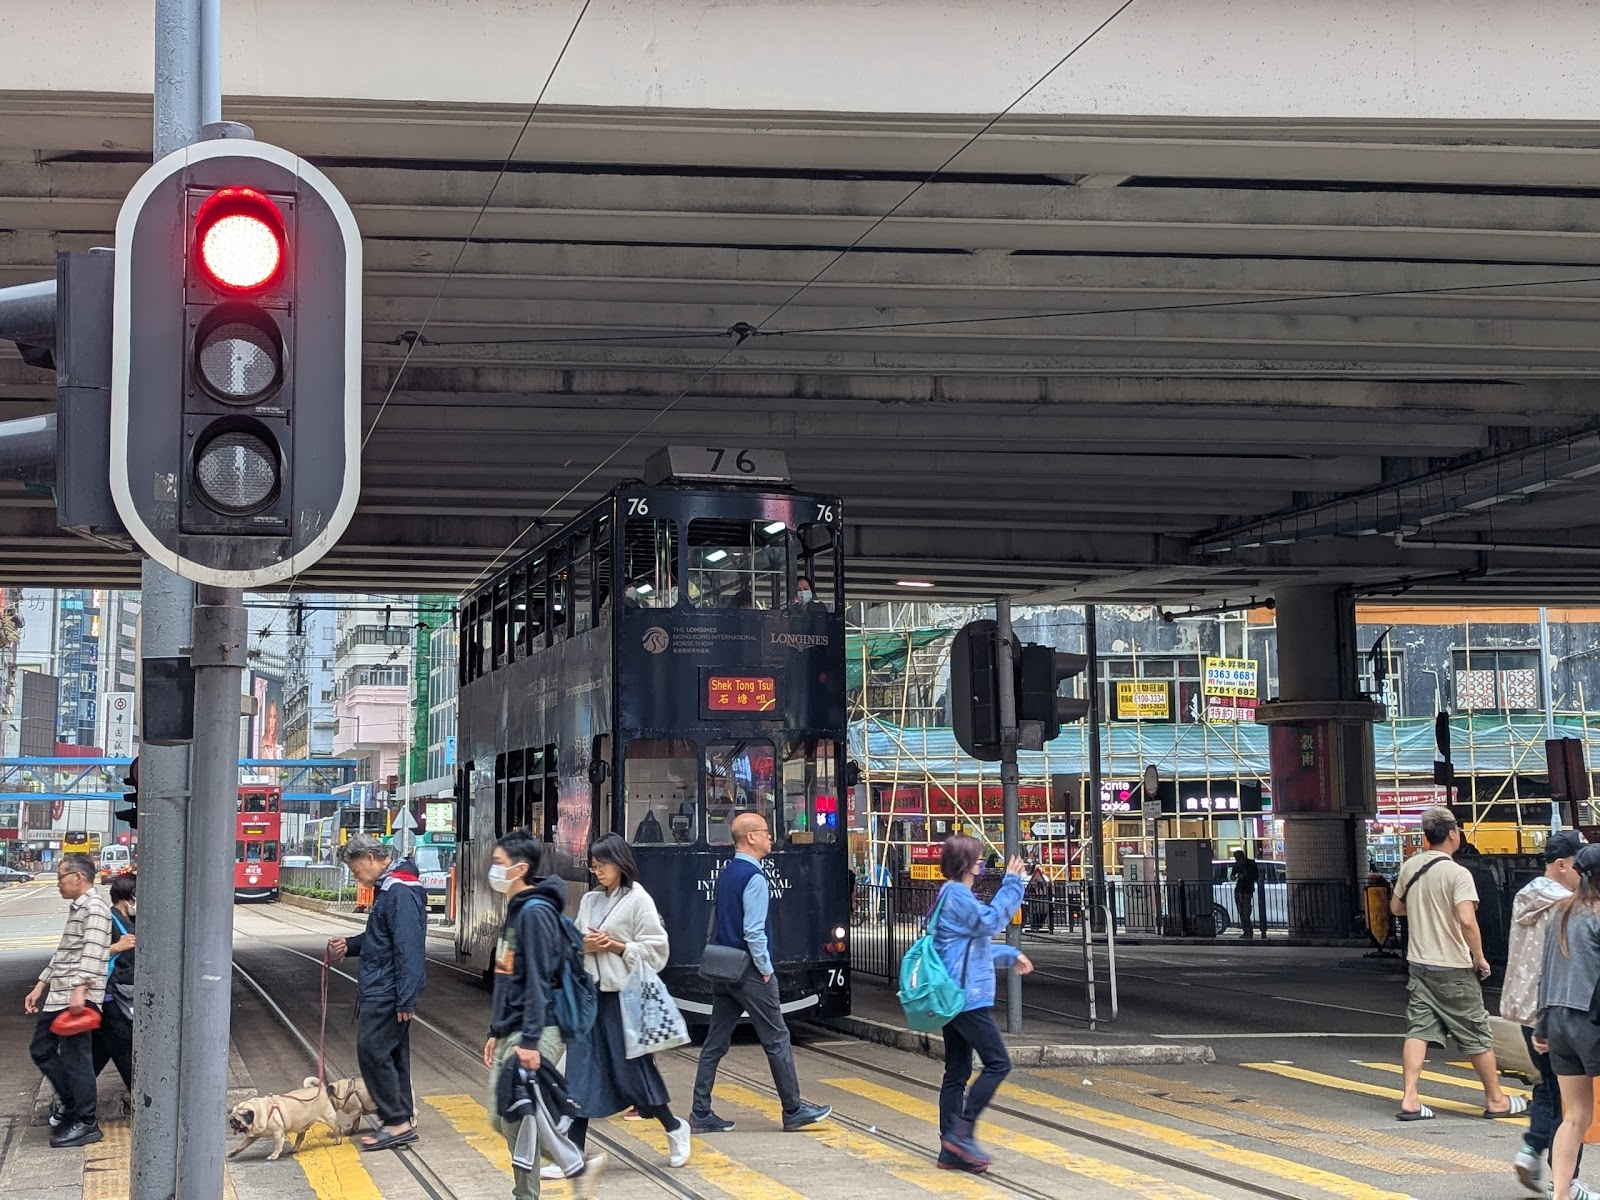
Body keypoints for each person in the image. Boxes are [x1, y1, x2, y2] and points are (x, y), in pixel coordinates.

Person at [546, 834, 689, 1180]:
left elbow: (657, 952)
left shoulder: (639, 900)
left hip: (623, 1001)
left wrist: (617, 947)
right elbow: (573, 944)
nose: (597, 872)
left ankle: (673, 1127)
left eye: (602, 866)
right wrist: (585, 946)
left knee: (632, 1074)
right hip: (590, 998)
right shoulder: (590, 900)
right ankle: (573, 1157)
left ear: (620, 864)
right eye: (593, 866)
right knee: (578, 1074)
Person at [689, 811, 831, 1134]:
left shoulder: (727, 873)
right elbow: (754, 932)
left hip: (724, 968)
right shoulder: (754, 877)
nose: (771, 836)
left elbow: (716, 921)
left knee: (715, 1042)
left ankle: (700, 1111)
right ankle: (793, 1109)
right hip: (750, 971)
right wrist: (766, 969)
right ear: (750, 837)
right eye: (766, 831)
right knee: (777, 1037)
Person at [484, 829, 603, 1199]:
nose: (493, 869)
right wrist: (496, 1029)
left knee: (515, 1117)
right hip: (514, 1027)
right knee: (502, 1117)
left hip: (538, 1027)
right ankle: (575, 1165)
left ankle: (529, 1192)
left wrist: (532, 1041)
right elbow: (508, 977)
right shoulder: (516, 910)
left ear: (520, 869)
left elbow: (538, 980)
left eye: (499, 863)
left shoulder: (534, 914)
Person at [1389, 806, 1525, 1121]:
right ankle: (1496, 1100)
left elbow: (1396, 908)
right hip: (1453, 966)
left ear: (1427, 836)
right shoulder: (1458, 874)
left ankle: (1410, 1098)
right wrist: (1479, 957)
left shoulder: (1411, 866)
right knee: (1476, 1032)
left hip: (1419, 964)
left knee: (1418, 1029)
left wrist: (1424, 910)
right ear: (1452, 834)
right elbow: (1466, 920)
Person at [930, 835, 1033, 1173]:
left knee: (957, 1071)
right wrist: (1013, 884)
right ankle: (961, 1134)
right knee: (998, 1063)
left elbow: (970, 947)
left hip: (953, 994)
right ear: (966, 864)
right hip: (966, 998)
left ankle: (950, 1149)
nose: (981, 864)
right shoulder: (958, 895)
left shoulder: (950, 894)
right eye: (977, 859)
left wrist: (1010, 955)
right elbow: (990, 922)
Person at [327, 834, 427, 1151]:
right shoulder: (390, 889)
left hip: (387, 989)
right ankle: (401, 1119)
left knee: (372, 1051)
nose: (356, 876)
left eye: (355, 869)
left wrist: (406, 997)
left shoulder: (399, 891)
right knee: (393, 1054)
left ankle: (396, 1120)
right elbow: (381, 937)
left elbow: (408, 948)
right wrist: (350, 945)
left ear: (370, 858)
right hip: (385, 986)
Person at [1503, 831, 1585, 1194]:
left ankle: (1531, 1149)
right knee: (1572, 1102)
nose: (1584, 874)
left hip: (1527, 1011)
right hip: (1554, 1010)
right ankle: (1565, 1183)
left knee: (1550, 1087)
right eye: (1579, 865)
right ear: (1562, 864)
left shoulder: (1526, 895)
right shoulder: (1566, 905)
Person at [25, 853, 113, 1148]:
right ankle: (72, 1104)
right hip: (59, 995)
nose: (58, 883)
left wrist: (81, 989)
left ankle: (86, 1121)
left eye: (60, 876)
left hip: (75, 997)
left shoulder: (95, 908)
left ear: (78, 877)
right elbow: (65, 952)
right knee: (42, 1049)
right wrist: (41, 985)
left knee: (77, 1059)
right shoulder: (79, 907)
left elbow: (93, 950)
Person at [1534, 842, 1600, 1200]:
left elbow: (1545, 973)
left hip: (1558, 1021)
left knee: (1574, 1116)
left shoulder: (1561, 912)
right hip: (1591, 1020)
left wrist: (1542, 1026)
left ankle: (1561, 1193)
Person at [92, 873, 137, 1093]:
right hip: (113, 998)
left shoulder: (132, 921)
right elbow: (88, 954)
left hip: (123, 996)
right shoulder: (108, 921)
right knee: (125, 1051)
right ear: (127, 897)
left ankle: (69, 1098)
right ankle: (142, 1100)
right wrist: (116, 947)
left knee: (99, 1052)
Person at [1230, 850, 1261, 939]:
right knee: (1241, 911)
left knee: (1246, 911)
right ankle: (1245, 930)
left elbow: (1256, 876)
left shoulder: (1250, 863)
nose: (1238, 860)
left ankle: (1248, 931)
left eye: (1238, 859)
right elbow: (1232, 874)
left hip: (1247, 889)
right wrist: (1233, 876)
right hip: (1239, 889)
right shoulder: (1237, 865)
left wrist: (1245, 876)